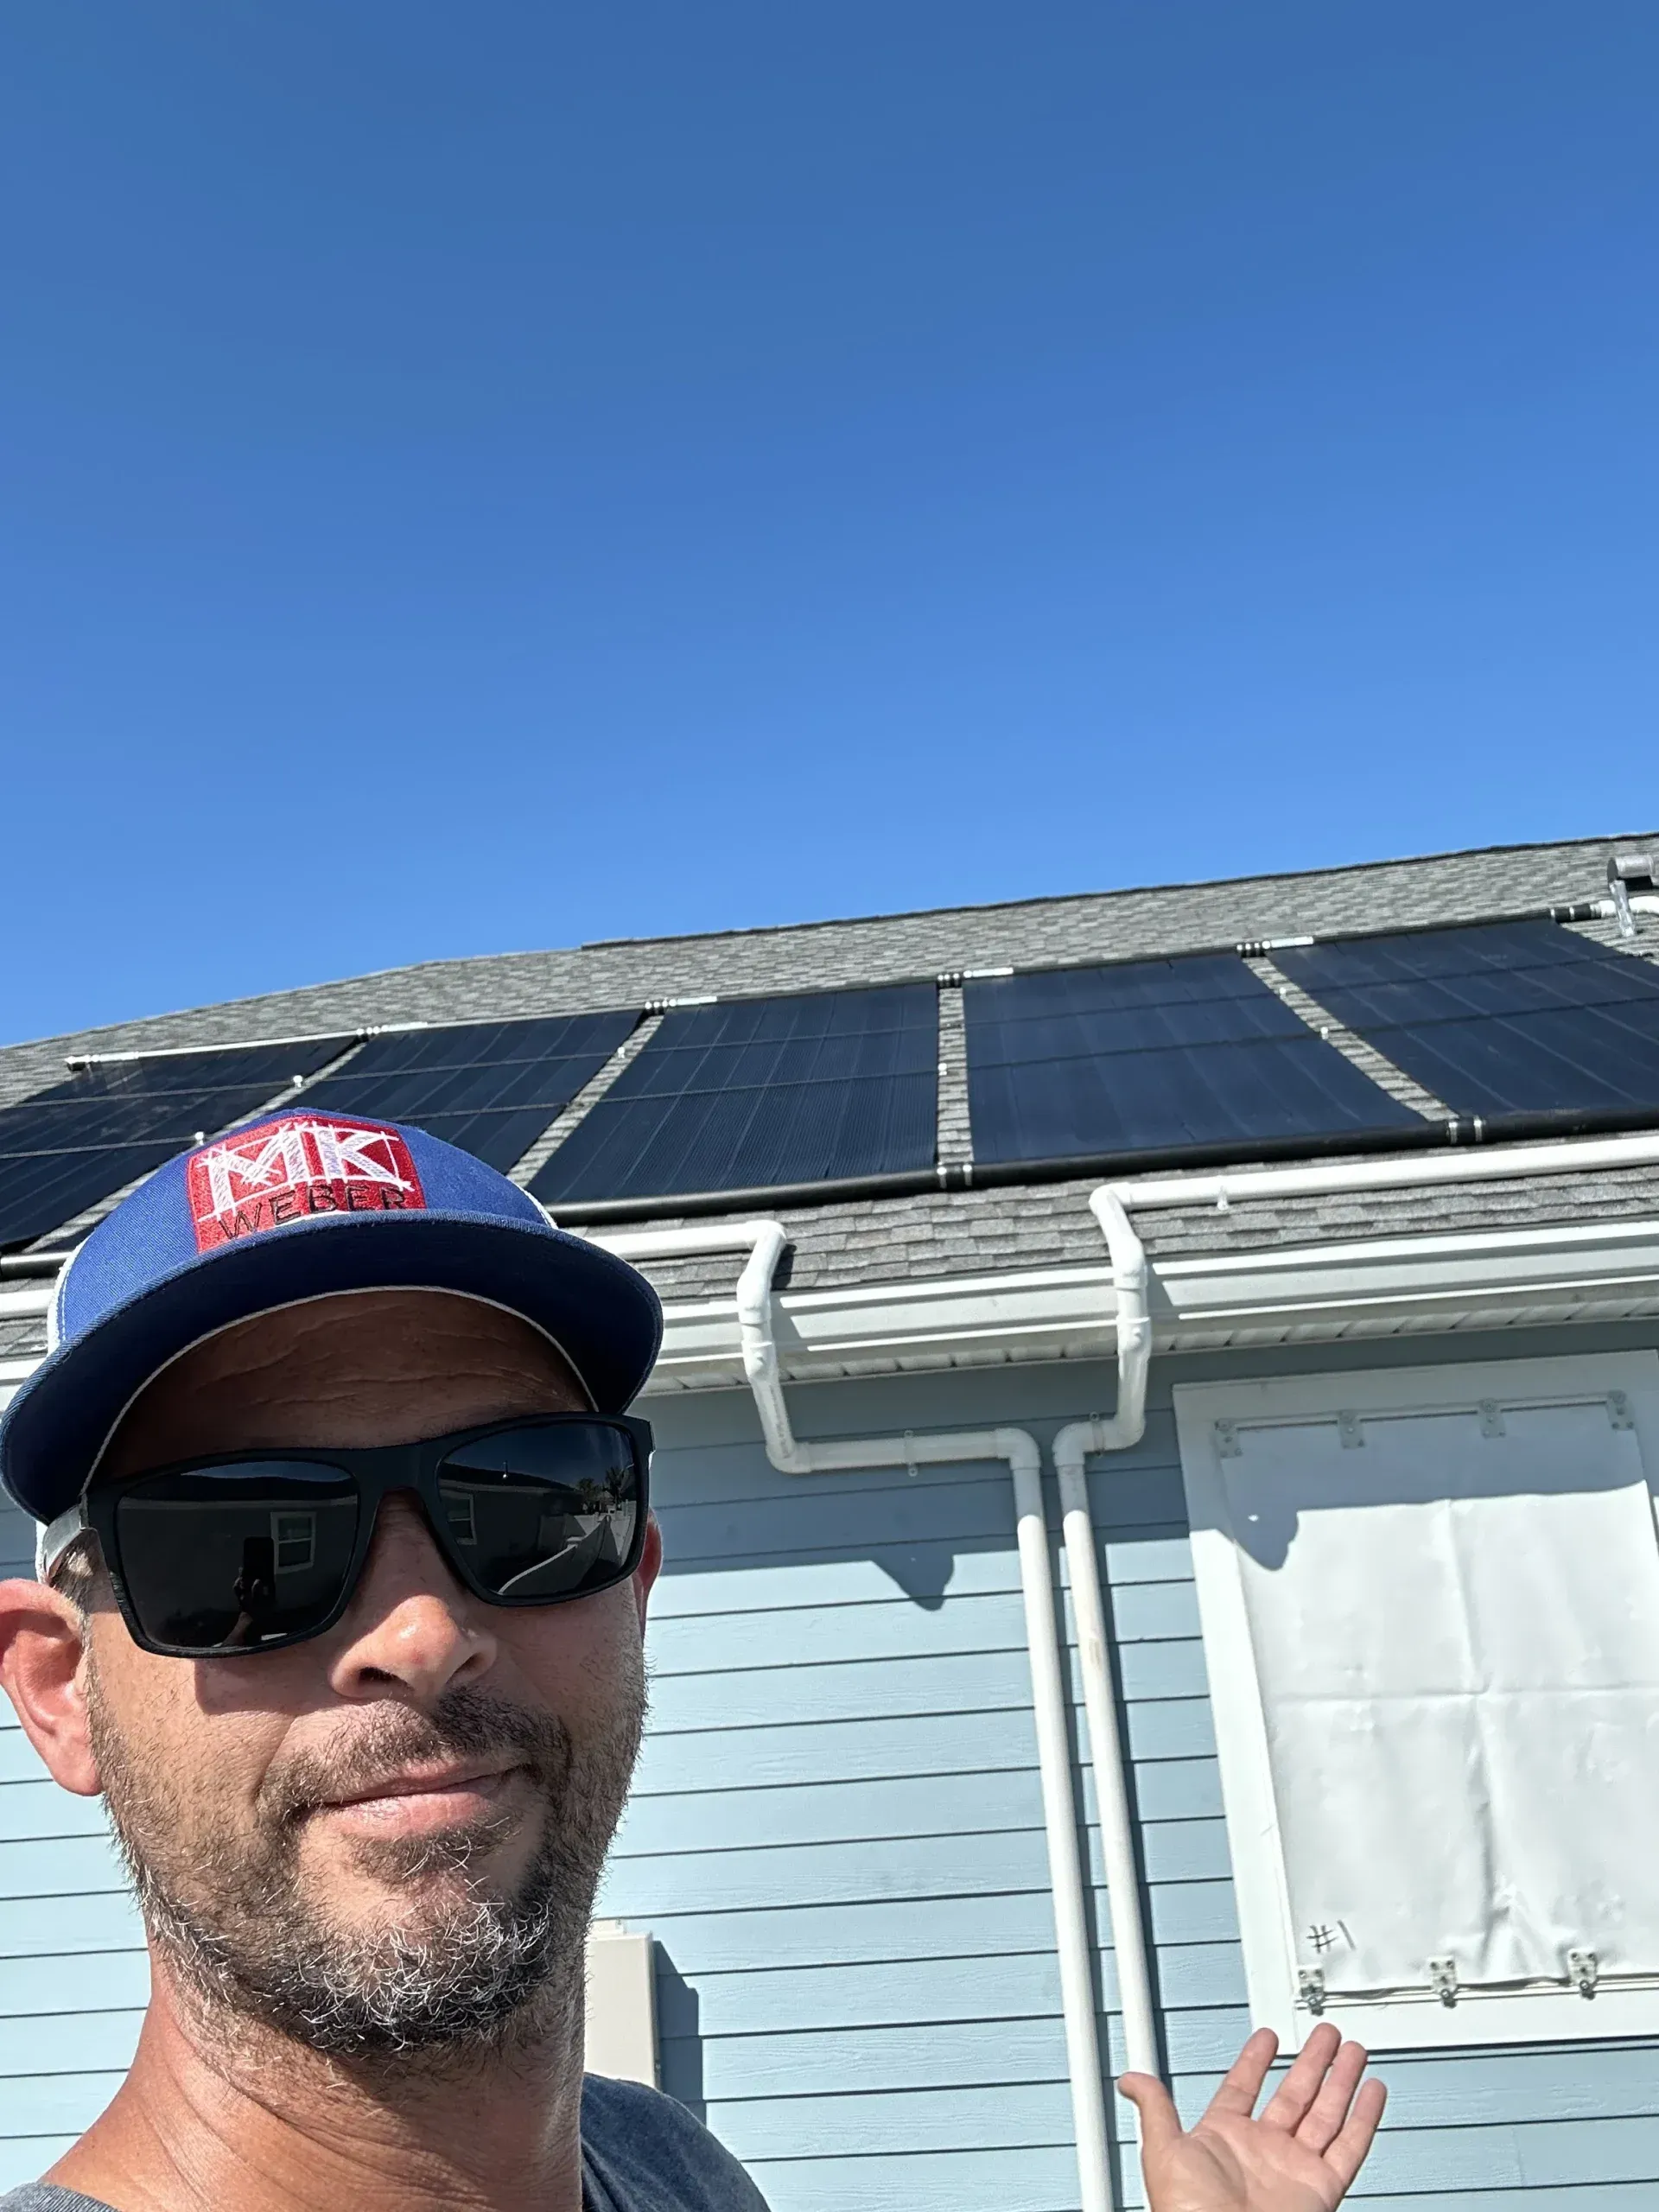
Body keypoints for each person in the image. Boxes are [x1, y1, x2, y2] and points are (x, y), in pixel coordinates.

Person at [0, 1111, 1385, 2212]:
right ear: (62, 1693)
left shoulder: (663, 2170)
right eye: (245, 1546)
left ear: (636, 1587)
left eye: (533, 1507)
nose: (423, 1635)